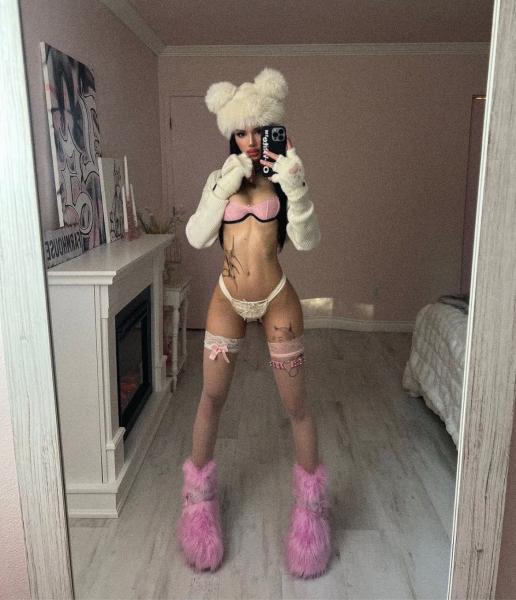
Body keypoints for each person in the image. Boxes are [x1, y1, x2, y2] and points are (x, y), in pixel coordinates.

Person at [177, 67, 330, 579]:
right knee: (211, 399)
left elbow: (306, 241)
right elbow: (197, 235)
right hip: (227, 297)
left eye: (258, 130)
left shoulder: (285, 177)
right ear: (231, 134)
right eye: (240, 131)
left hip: (276, 298)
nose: (249, 140)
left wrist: (296, 186)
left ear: (271, 131)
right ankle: (198, 512)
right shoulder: (220, 180)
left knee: (297, 407)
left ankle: (311, 523)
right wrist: (223, 187)